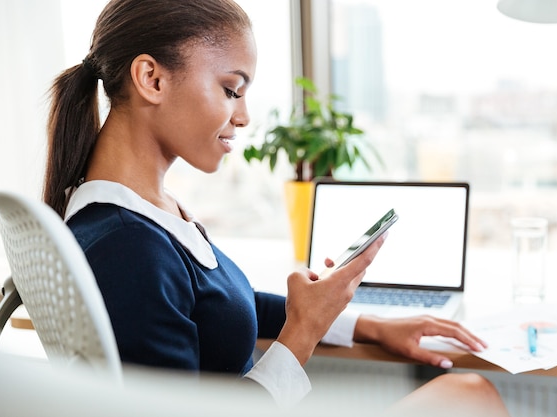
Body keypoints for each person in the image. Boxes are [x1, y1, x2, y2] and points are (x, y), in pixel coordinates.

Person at [43, 0, 510, 415]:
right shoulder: (128, 248)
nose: (243, 116)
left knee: (469, 392)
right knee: (471, 395)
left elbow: (224, 306)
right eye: (231, 89)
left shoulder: (146, 214)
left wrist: (365, 325)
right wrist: (302, 332)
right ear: (152, 78)